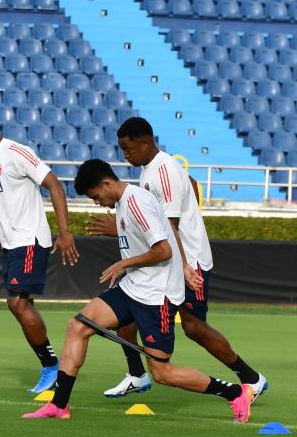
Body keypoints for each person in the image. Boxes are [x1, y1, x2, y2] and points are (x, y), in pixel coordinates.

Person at [24, 159, 254, 422]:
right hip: (133, 288)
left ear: (107, 183)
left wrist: (124, 263)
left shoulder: (137, 202)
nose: (97, 203)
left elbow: (163, 249)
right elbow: (165, 234)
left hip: (157, 297)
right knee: (77, 327)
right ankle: (59, 405)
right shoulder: (124, 203)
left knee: (162, 373)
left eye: (96, 196)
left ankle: (235, 393)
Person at [88, 117, 267, 401]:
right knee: (128, 309)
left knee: (194, 327)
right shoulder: (152, 169)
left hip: (186, 260)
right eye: (122, 149)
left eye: (128, 149)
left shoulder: (164, 172)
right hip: (172, 260)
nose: (125, 155)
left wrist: (184, 266)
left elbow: (169, 227)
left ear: (145, 143)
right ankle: (137, 374)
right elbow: (191, 186)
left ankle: (251, 379)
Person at [0, 106, 78, 392]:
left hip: (29, 240)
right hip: (11, 244)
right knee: (24, 305)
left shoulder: (16, 152)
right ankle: (53, 367)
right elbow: (1, 201)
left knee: (17, 303)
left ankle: (52, 367)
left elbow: (54, 185)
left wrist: (65, 233)